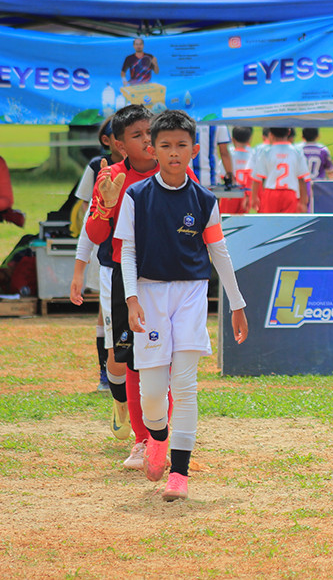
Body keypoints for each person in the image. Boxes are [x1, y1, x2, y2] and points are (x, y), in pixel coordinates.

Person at [116, 109, 248, 501]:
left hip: (191, 294)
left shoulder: (205, 200)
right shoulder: (136, 196)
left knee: (185, 387)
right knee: (154, 392)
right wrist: (131, 298)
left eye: (181, 145)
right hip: (150, 294)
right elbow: (127, 252)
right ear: (153, 149)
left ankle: (181, 474)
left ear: (194, 149)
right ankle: (157, 437)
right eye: (165, 145)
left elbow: (219, 252)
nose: (174, 152)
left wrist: (237, 304)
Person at [78, 105, 191, 471]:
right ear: (122, 146)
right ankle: (143, 441)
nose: (147, 141)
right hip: (120, 278)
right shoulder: (109, 177)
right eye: (137, 136)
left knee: (165, 359)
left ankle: (163, 436)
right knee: (131, 361)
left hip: (165, 276)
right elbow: (95, 236)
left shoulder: (174, 172)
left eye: (149, 134)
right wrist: (105, 207)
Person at [70, 118, 121, 391]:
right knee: (106, 313)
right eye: (121, 135)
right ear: (107, 140)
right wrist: (80, 266)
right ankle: (106, 372)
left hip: (139, 258)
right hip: (106, 252)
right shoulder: (96, 167)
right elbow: (88, 213)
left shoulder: (152, 167)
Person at [250, 127, 310, 214]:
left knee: (270, 223)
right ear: (289, 132)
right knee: (288, 224)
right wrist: (303, 201)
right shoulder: (297, 151)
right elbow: (301, 178)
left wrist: (254, 197)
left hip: (271, 192)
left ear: (270, 134)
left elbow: (257, 178)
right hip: (290, 192)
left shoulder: (266, 151)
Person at [218, 126, 254, 215]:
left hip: (230, 193)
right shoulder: (252, 154)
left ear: (232, 139)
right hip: (245, 194)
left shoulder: (229, 155)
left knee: (225, 222)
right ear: (249, 139)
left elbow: (222, 175)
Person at [300, 127, 333, 213]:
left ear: (302, 136)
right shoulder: (323, 149)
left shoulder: (298, 149)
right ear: (317, 136)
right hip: (319, 185)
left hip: (302, 185)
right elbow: (330, 171)